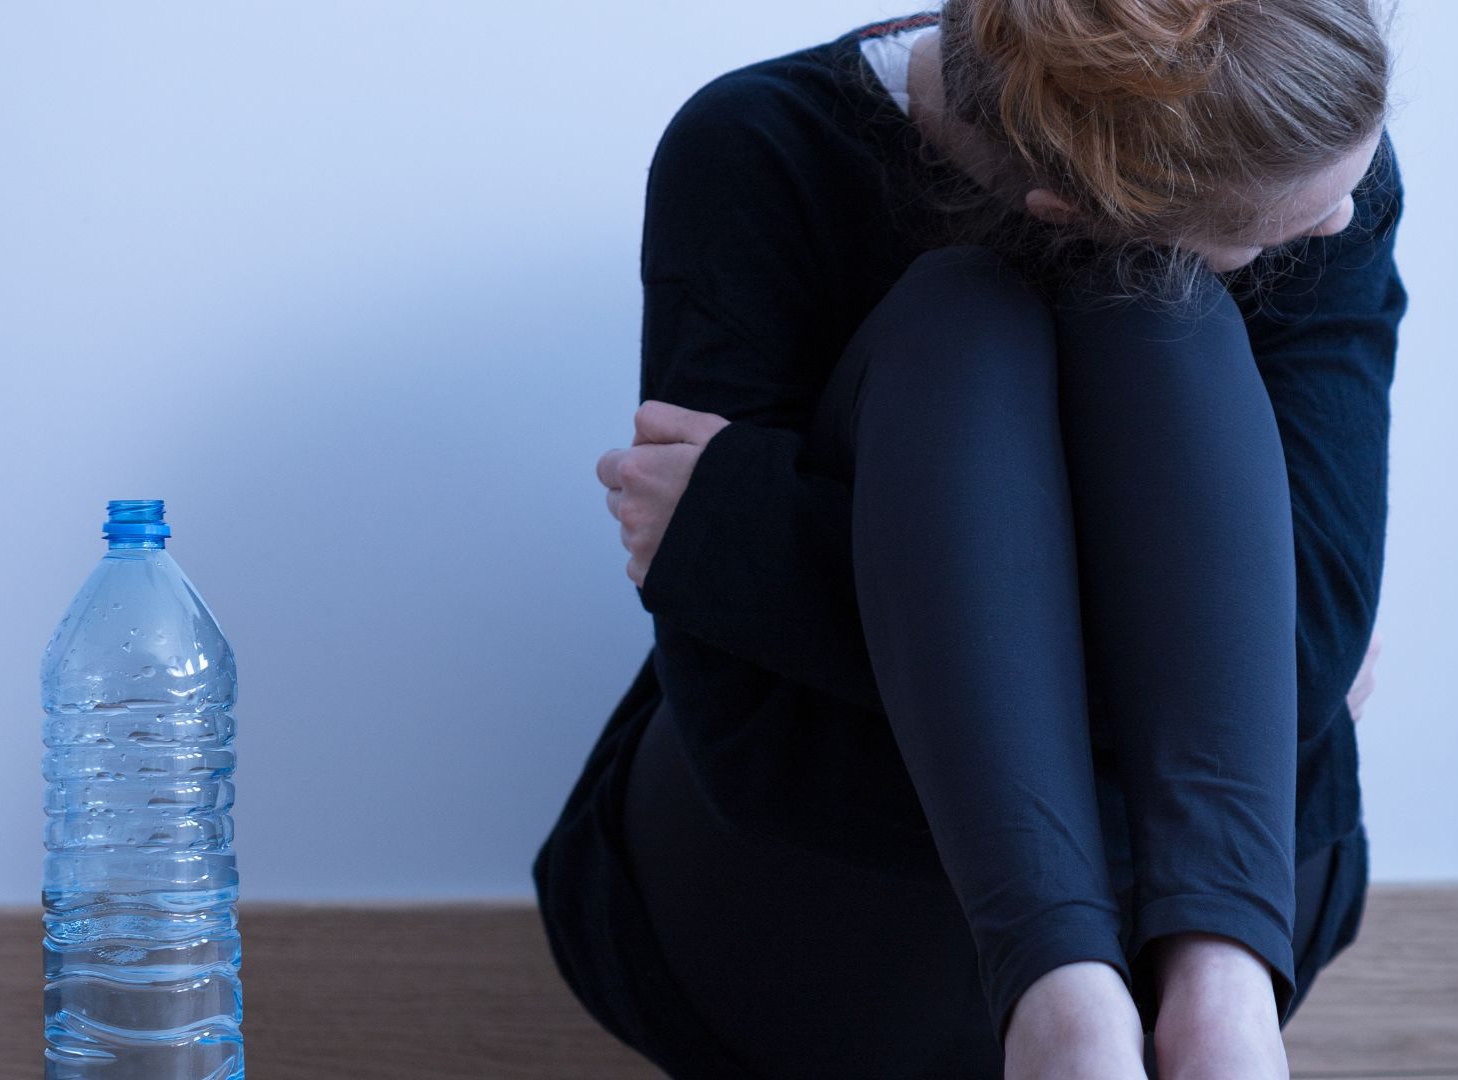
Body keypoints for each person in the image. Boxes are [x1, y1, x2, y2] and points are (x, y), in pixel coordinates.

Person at [534, 1, 1404, 1076]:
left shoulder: (1300, 148)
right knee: (964, 319)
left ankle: (1213, 986)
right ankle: (1067, 1008)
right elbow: (734, 706)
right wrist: (1204, 647)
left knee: (1158, 320)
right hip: (833, 893)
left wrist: (743, 532)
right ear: (1065, 207)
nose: (1336, 222)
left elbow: (1309, 647)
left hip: (1208, 884)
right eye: (1275, 230)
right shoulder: (758, 148)